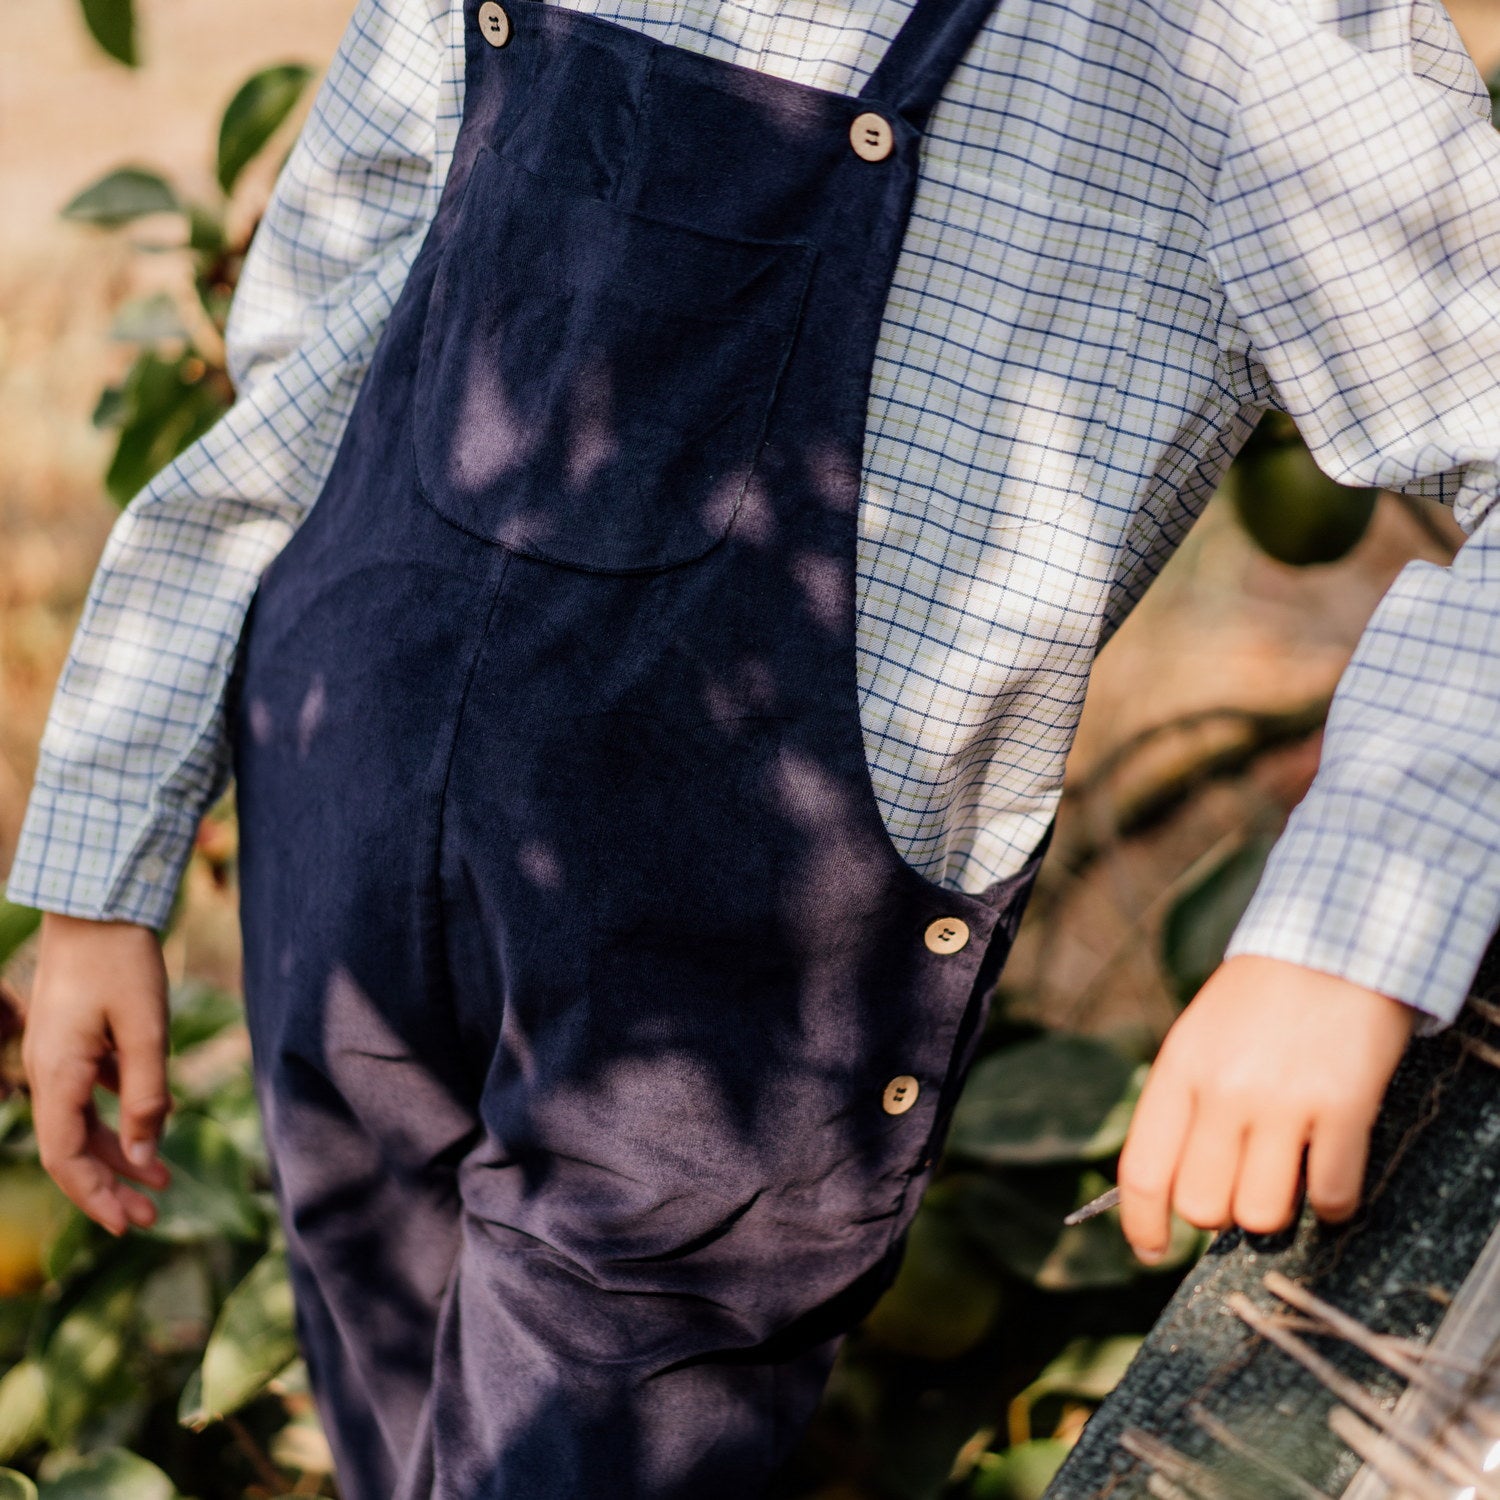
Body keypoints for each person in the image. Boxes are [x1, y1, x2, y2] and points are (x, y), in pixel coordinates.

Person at [8, 0, 1498, 1492]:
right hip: (337, 864)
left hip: (723, 1006)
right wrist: (103, 864)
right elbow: (308, 353)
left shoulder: (1249, 28)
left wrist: (1336, 946)